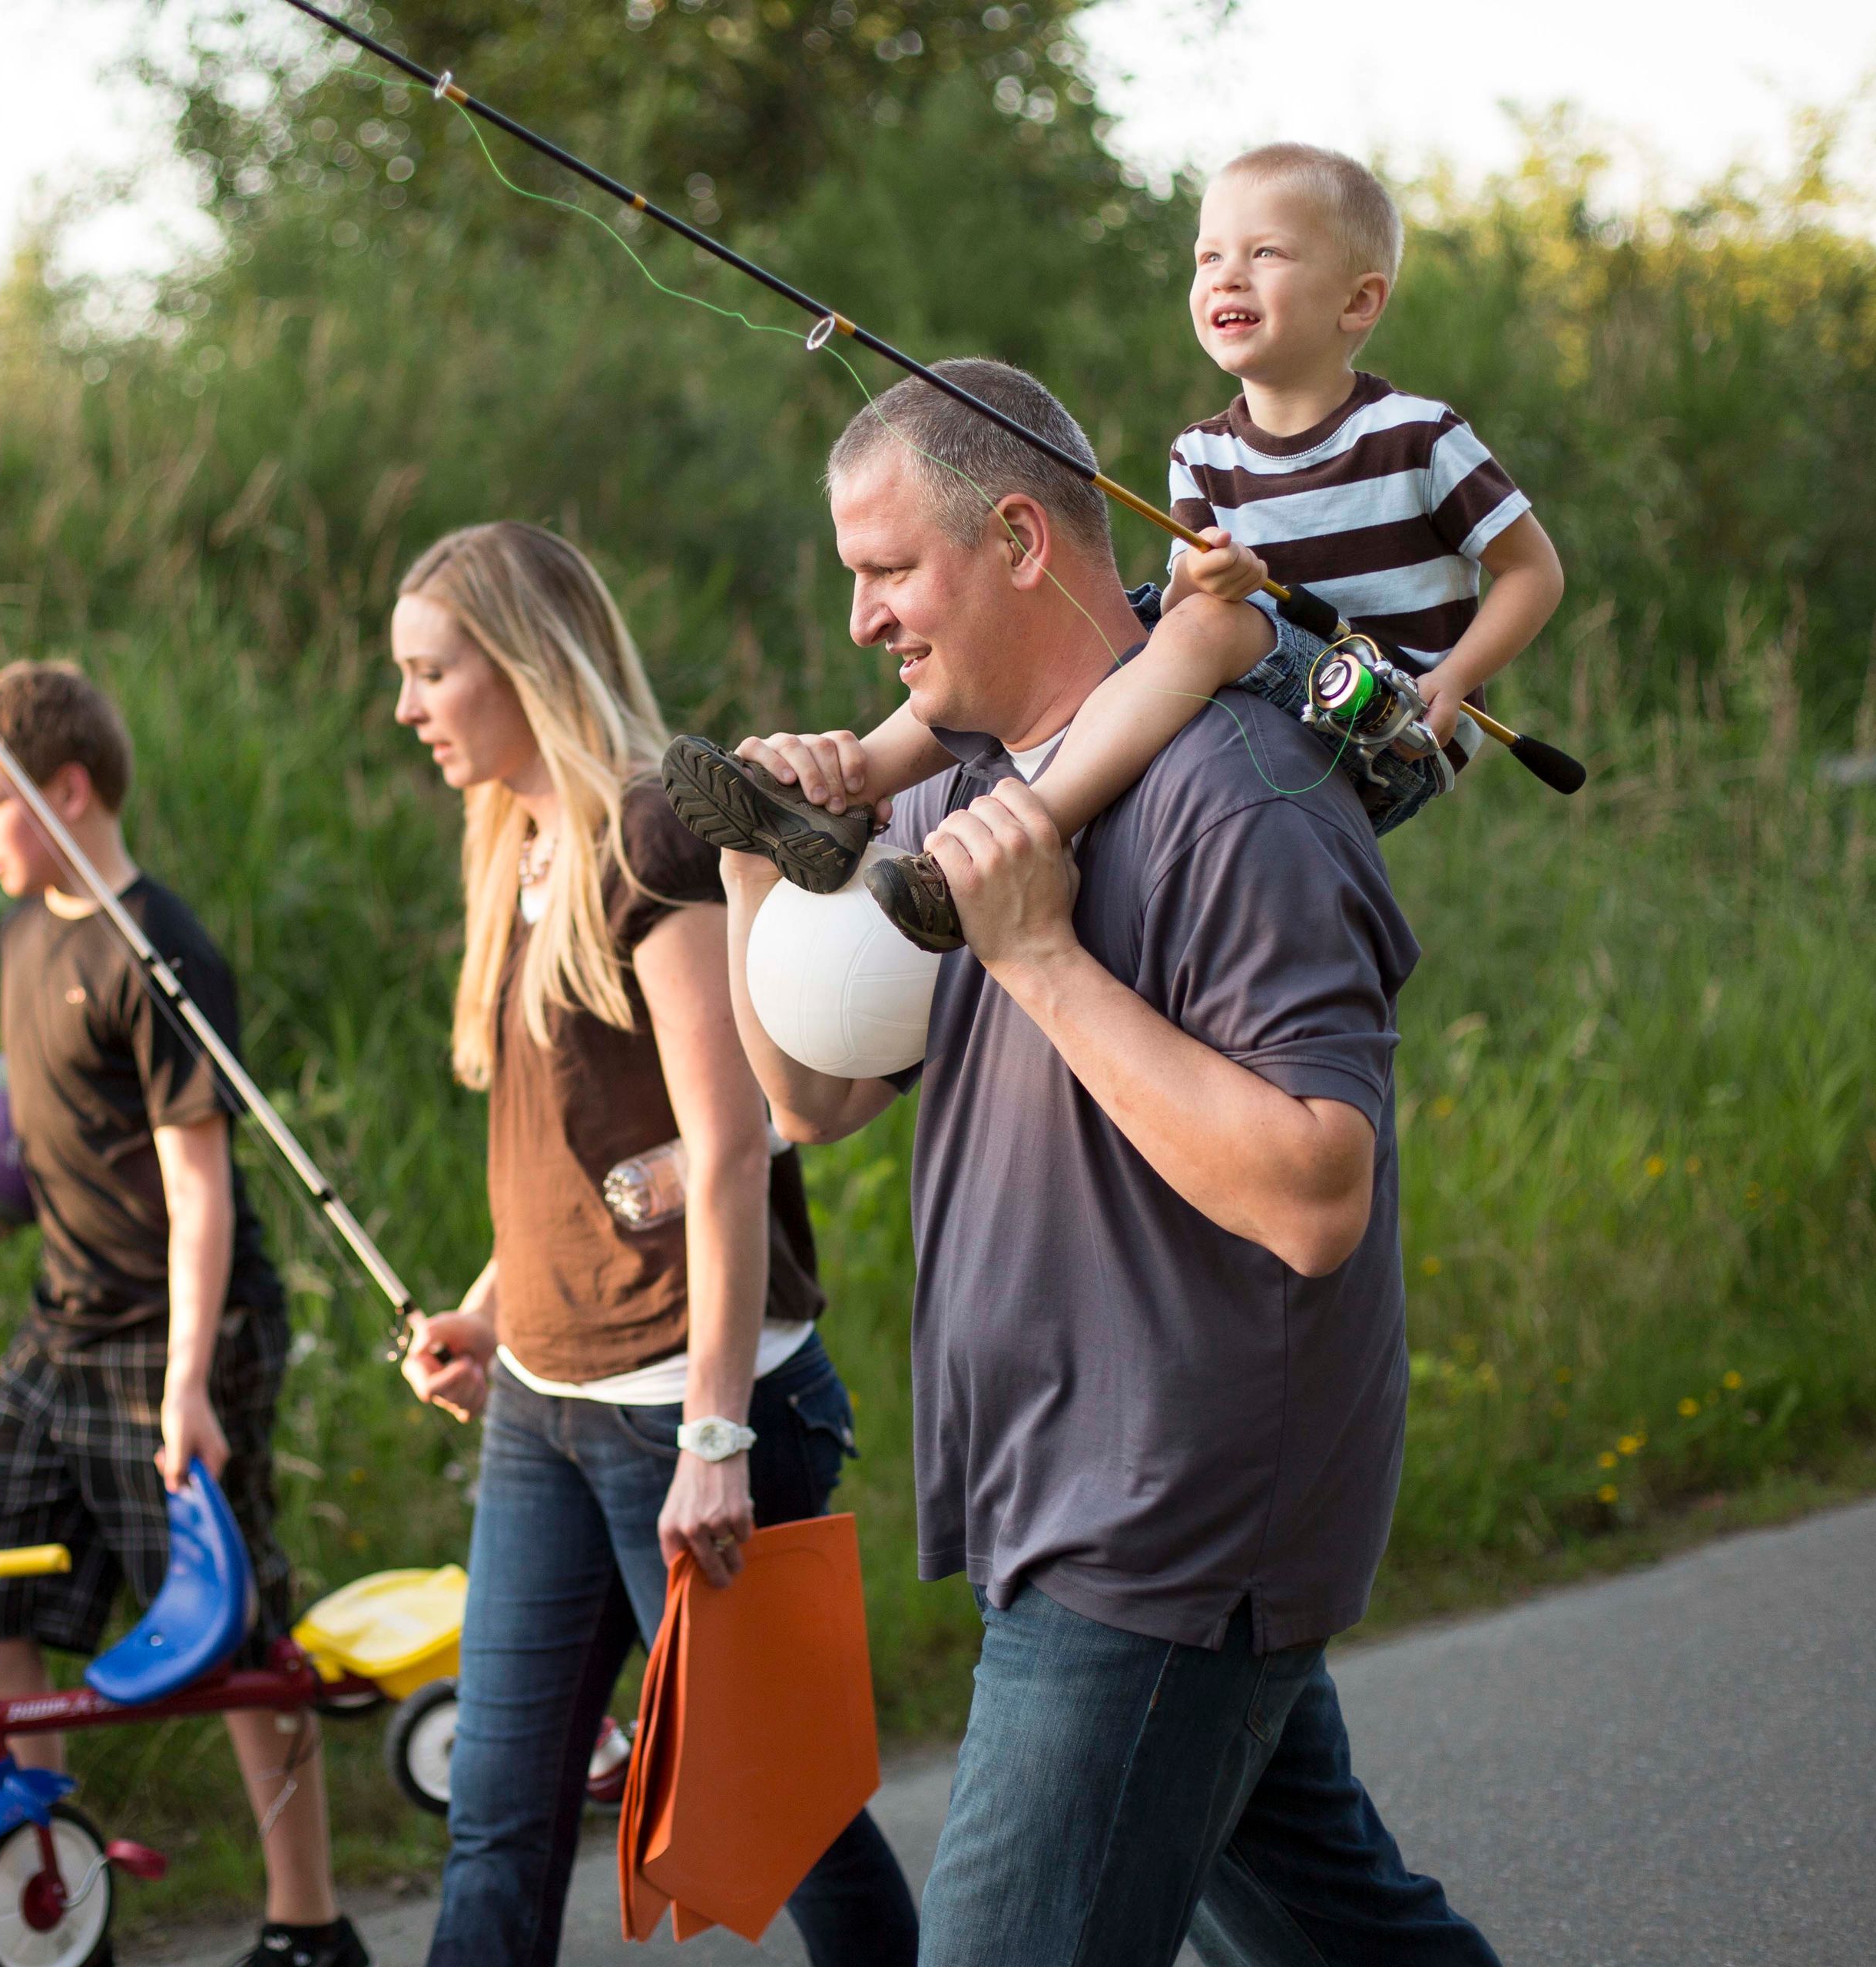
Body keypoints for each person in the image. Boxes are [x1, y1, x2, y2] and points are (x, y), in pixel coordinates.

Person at [717, 362, 1501, 1966]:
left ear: (1017, 537)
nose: (861, 620)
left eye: (887, 569)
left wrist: (1044, 961)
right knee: (1336, 1936)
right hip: (1059, 1479)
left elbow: (1316, 1191)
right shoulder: (962, 778)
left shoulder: (1238, 795)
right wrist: (755, 873)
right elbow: (816, 1098)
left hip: (1166, 1518)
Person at [385, 522, 916, 1967]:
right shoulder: (515, 842)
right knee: (496, 1816)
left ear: (521, 663)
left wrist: (717, 1438)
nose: (409, 709)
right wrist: (491, 1314)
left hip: (693, 1411)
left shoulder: (649, 832)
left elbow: (732, 1137)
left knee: (786, 1818)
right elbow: (571, 1159)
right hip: (546, 1411)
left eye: (432, 674)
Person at [665, 140, 1564, 950]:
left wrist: (1450, 679)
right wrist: (1204, 581)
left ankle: (1018, 833)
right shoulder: (1201, 451)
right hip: (1276, 660)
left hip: (1390, 722)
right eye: (1209, 256)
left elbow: (1532, 573)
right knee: (1123, 611)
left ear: (1359, 300)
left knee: (1212, 628)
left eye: (1266, 253)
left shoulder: (1419, 436)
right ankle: (847, 787)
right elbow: (1173, 616)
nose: (1227, 277)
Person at [0, 661, 363, 1967]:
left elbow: (200, 1191)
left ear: (68, 790)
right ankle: (43, 1870)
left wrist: (183, 1388)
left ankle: (306, 1925)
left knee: (220, 1625)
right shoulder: (22, 934)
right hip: (61, 1325)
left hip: (182, 1334)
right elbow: (66, 1140)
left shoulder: (159, 953)